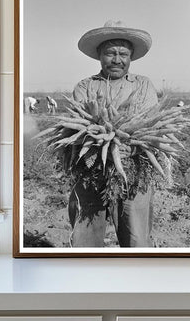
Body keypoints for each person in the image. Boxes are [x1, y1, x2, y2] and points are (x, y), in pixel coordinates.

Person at [69, 20, 158, 248]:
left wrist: (132, 144)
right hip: (90, 170)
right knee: (84, 236)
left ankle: (137, 279)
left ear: (131, 57)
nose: (117, 59)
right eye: (110, 53)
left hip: (135, 170)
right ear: (100, 55)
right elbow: (80, 127)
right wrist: (100, 141)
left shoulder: (144, 85)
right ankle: (86, 279)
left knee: (136, 237)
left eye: (123, 54)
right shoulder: (84, 87)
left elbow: (151, 125)